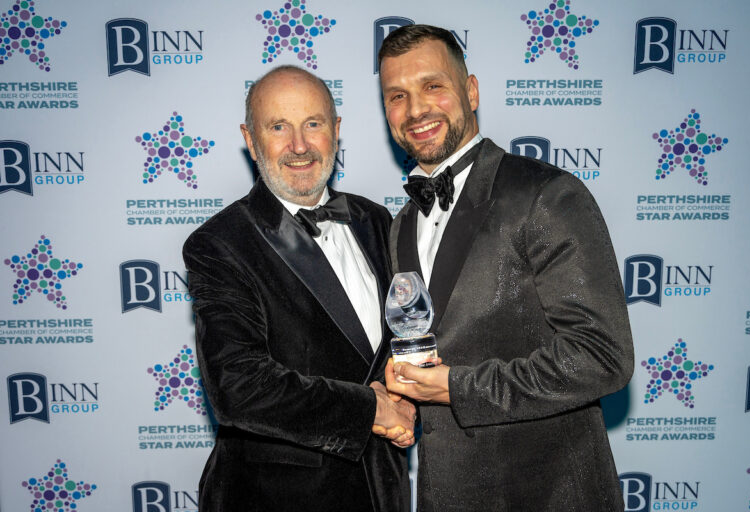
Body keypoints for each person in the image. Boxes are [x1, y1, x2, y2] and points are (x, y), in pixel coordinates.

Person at [378, 25, 634, 511]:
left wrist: (458, 387)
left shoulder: (545, 194)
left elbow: (603, 356)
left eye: (433, 86)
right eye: (396, 95)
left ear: (470, 91)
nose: (415, 110)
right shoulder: (400, 225)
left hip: (548, 494)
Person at [183, 65, 414, 512]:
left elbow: (397, 340)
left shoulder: (376, 221)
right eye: (278, 127)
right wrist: (370, 409)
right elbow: (239, 386)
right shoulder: (220, 244)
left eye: (313, 124)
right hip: (275, 497)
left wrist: (405, 396)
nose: (299, 146)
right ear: (250, 140)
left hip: (381, 488)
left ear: (336, 130)